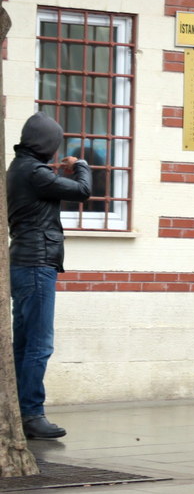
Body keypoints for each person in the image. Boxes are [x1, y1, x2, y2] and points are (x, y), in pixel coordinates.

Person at [8, 113, 91, 439]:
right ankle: (32, 413)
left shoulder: (18, 169)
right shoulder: (35, 172)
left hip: (23, 263)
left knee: (24, 343)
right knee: (39, 345)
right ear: (45, 143)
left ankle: (19, 410)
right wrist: (81, 164)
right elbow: (83, 191)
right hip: (37, 264)